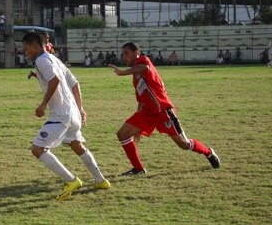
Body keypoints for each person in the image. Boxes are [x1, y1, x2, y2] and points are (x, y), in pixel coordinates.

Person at [108, 42, 220, 176]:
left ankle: (208, 152)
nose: (124, 57)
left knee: (183, 144)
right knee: (122, 134)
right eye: (122, 54)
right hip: (147, 112)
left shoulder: (143, 60)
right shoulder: (136, 77)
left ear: (136, 53)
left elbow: (145, 67)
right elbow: (141, 100)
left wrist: (122, 73)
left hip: (162, 111)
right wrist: (138, 126)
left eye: (126, 53)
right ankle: (138, 169)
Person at [22, 32, 110, 200]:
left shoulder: (41, 60)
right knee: (77, 145)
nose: (26, 53)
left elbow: (54, 81)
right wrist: (80, 109)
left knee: (38, 149)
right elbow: (74, 83)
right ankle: (101, 181)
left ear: (34, 45)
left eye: (27, 49)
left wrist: (43, 104)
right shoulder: (55, 59)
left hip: (61, 114)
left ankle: (71, 181)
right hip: (72, 113)